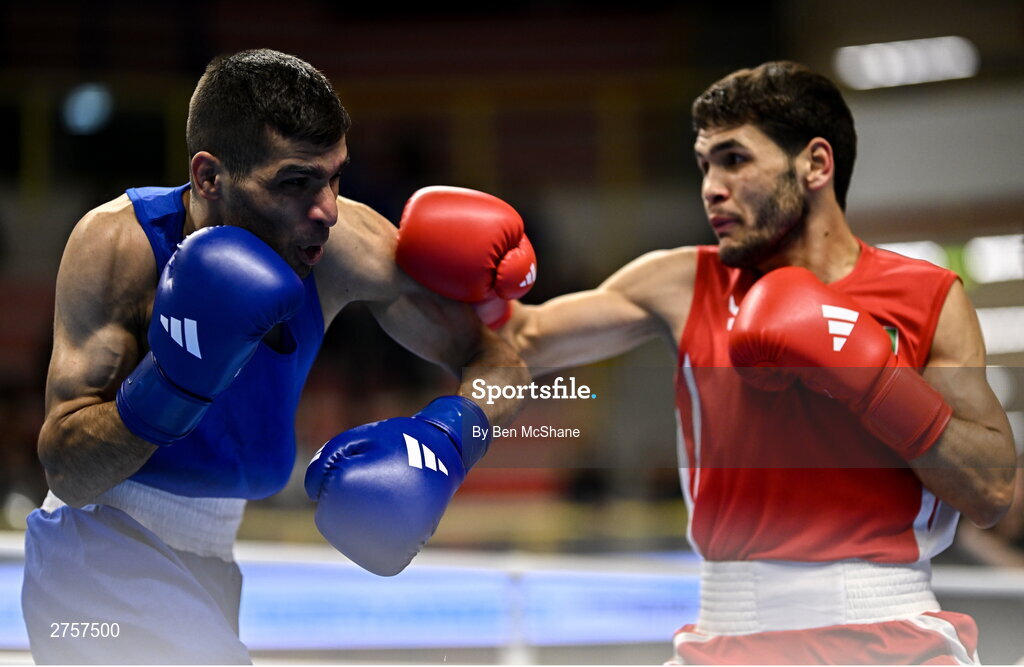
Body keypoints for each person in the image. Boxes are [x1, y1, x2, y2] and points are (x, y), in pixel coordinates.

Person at [396, 61, 1017, 664]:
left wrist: (877, 384)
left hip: (887, 635)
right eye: (703, 164)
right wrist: (463, 286)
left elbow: (991, 490)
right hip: (726, 636)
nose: (711, 188)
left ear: (816, 165)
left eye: (735, 159)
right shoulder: (684, 282)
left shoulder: (927, 296)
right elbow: (519, 343)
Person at [22, 49, 534, 665]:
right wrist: (174, 383)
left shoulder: (346, 248)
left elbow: (501, 359)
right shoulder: (119, 246)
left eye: (335, 177)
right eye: (295, 182)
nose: (326, 210)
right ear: (209, 177)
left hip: (212, 564)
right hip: (91, 555)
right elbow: (67, 474)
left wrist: (450, 437)